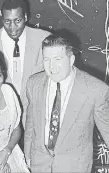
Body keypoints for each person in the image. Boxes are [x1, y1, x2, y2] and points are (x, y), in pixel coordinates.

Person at [24, 34, 109, 172]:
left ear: (71, 60)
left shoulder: (95, 90)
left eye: (58, 59)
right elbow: (31, 123)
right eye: (47, 59)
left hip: (74, 167)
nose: (52, 66)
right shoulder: (34, 83)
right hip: (39, 165)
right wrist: (28, 155)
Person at [0, 0, 51, 126]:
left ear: (26, 17)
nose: (12, 28)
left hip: (36, 117)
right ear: (2, 19)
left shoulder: (44, 40)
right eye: (7, 21)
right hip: (1, 118)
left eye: (18, 21)